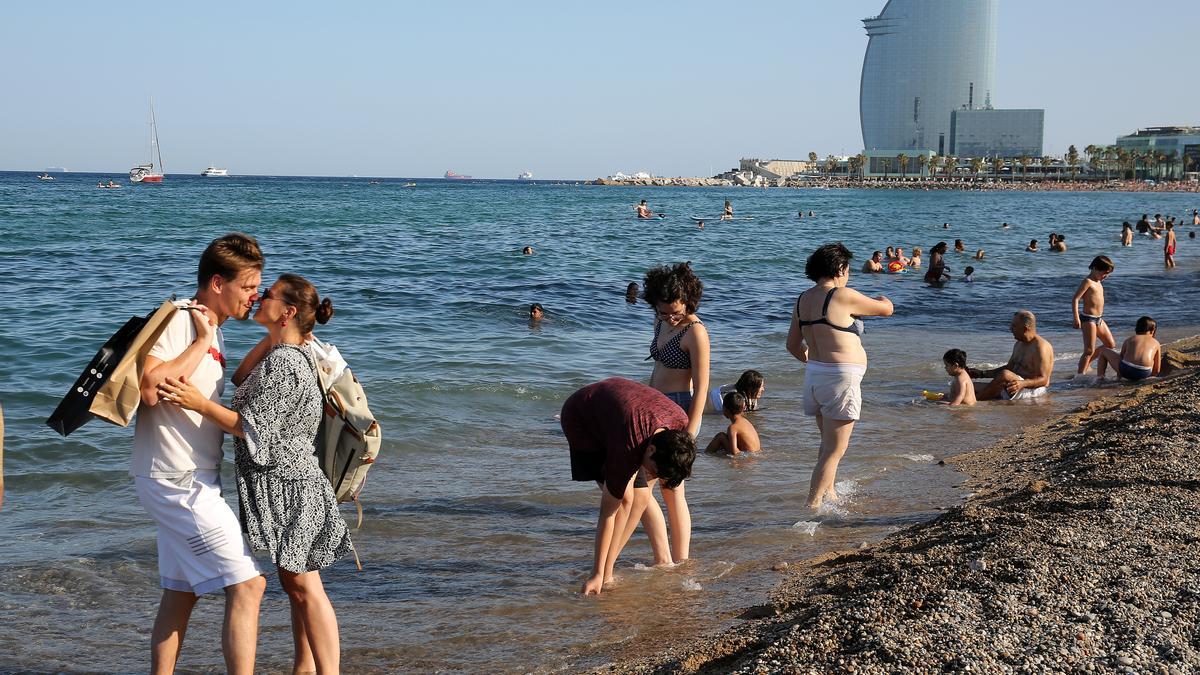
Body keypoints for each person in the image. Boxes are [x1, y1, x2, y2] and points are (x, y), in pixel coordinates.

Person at [159, 274, 353, 674]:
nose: (258, 298)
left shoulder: (285, 362)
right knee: (297, 584)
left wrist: (196, 402)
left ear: (288, 310)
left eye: (268, 295)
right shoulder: (284, 354)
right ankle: (304, 667)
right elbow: (240, 378)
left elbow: (250, 427)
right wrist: (278, 336)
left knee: (304, 587)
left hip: (291, 486)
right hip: (288, 483)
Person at [133, 233, 266, 675]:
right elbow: (150, 388)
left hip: (196, 475)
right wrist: (201, 338)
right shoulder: (177, 321)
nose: (255, 296)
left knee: (181, 590)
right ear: (216, 283)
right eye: (247, 287)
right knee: (249, 584)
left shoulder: (216, 331)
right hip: (174, 477)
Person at [559, 377, 696, 595]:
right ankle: (605, 574)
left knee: (641, 497)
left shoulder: (679, 423)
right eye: (654, 471)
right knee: (623, 500)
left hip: (622, 415)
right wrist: (597, 573)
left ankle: (663, 560)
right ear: (650, 451)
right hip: (583, 420)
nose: (651, 476)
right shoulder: (628, 447)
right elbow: (607, 514)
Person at [786, 243, 894, 508]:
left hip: (815, 376)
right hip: (840, 379)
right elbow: (887, 309)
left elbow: (792, 345)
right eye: (848, 269)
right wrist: (882, 297)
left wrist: (817, 365)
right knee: (835, 450)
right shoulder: (842, 295)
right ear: (840, 268)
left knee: (827, 446)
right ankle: (812, 506)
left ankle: (830, 494)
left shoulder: (803, 299)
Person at [642, 261, 709, 563]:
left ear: (689, 302)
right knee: (644, 486)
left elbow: (703, 386)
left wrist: (691, 432)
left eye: (676, 312)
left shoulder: (695, 332)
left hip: (678, 410)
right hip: (653, 408)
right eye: (663, 311)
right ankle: (664, 559)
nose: (670, 317)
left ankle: (679, 560)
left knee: (671, 490)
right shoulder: (660, 322)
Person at [968, 310, 1055, 400]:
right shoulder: (1018, 344)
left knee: (1005, 375)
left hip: (1032, 389)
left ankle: (975, 401)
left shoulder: (1041, 347)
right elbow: (1009, 368)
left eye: (1014, 326)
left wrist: (1022, 384)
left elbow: (1044, 380)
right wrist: (982, 373)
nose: (1010, 329)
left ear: (1025, 329)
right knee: (970, 387)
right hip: (1012, 385)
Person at [1072, 256, 1116, 374]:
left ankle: (1088, 362)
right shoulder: (1088, 282)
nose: (1106, 276)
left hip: (1099, 319)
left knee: (1110, 344)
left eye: (1108, 274)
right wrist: (1076, 318)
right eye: (1104, 273)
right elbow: (1075, 299)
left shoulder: (1098, 281)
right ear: (1096, 268)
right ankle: (1080, 375)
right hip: (1088, 319)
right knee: (1089, 350)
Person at [1092, 316, 1161, 381]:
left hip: (1127, 370)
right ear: (1153, 330)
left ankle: (1100, 379)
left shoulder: (1130, 339)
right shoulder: (1156, 343)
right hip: (1144, 373)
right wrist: (1150, 378)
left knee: (1103, 351)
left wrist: (1119, 378)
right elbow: (1157, 369)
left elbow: (1121, 359)